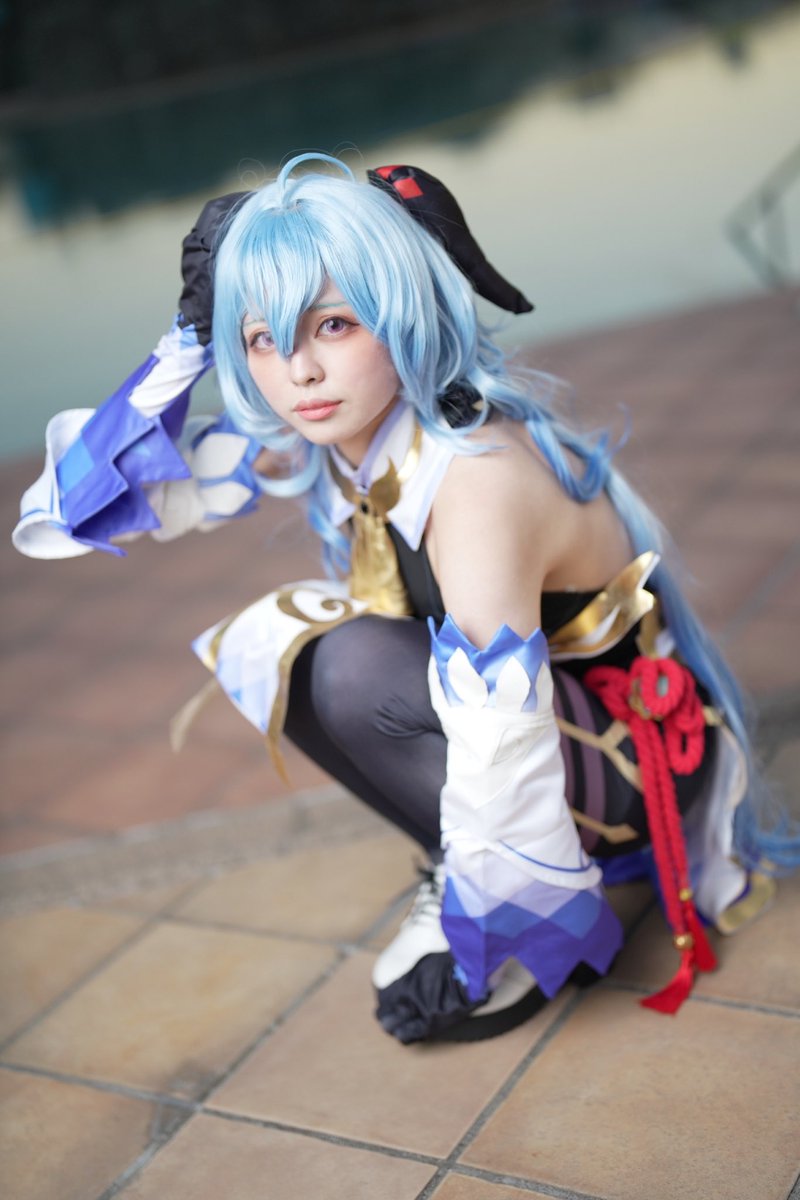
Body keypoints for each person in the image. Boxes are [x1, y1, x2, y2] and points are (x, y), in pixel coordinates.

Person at [14, 153, 798, 1045]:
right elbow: (81, 511)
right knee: (287, 644)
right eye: (263, 338)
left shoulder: (475, 480)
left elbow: (501, 737)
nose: (299, 370)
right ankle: (460, 864)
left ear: (402, 313)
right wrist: (191, 335)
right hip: (558, 740)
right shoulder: (341, 426)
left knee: (345, 662)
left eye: (334, 325)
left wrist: (505, 942)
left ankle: (524, 912)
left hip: (626, 761)